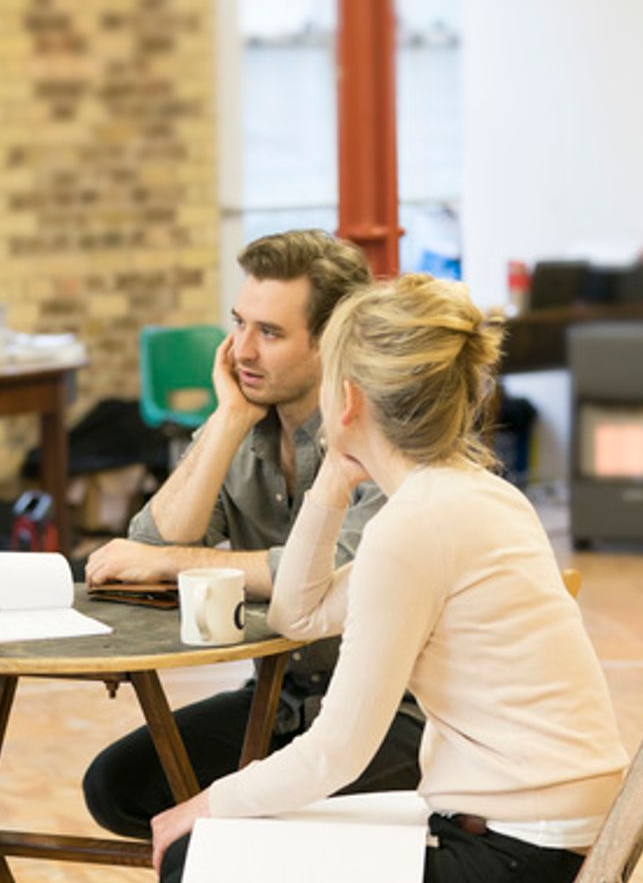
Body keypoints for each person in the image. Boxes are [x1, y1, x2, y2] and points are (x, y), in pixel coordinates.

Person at [150, 274, 630, 883]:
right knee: (228, 836)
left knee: (202, 854)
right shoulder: (469, 494)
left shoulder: (416, 525)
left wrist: (203, 805)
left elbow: (336, 753)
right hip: (538, 824)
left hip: (518, 850)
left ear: (347, 399)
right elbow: (296, 615)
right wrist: (333, 479)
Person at [82, 230, 424, 841]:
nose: (241, 349)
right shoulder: (244, 423)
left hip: (398, 713)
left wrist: (167, 564)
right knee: (118, 787)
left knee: (248, 822)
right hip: (283, 694)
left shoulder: (383, 433)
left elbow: (332, 578)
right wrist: (228, 418)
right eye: (238, 323)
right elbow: (146, 550)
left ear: (332, 342)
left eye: (269, 333)